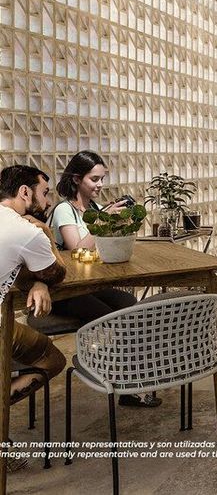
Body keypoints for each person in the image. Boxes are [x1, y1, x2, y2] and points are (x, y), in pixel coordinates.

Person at [48, 151, 158, 408]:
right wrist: (103, 217)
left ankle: (127, 381)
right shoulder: (64, 210)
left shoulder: (93, 209)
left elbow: (104, 244)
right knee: (116, 319)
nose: (100, 185)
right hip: (65, 290)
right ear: (77, 179)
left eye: (102, 179)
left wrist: (117, 220)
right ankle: (117, 378)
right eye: (94, 179)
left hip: (90, 285)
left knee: (130, 306)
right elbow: (77, 250)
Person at [0, 165, 67, 415]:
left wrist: (38, 282)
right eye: (45, 193)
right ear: (25, 192)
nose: (48, 202)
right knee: (54, 361)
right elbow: (57, 273)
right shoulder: (28, 232)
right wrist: (47, 232)